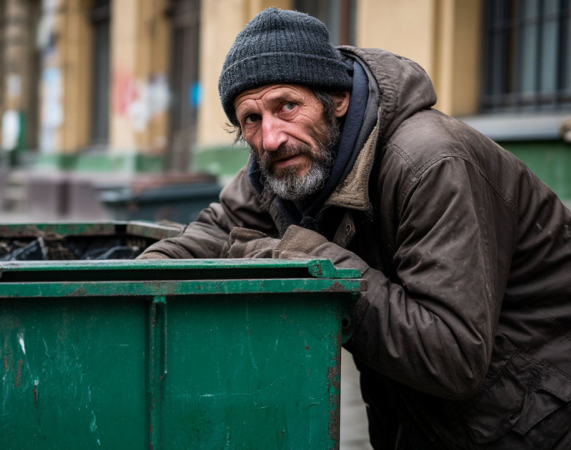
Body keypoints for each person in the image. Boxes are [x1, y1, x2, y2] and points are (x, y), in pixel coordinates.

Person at [139, 8, 571, 449]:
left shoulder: (431, 164)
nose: (270, 137)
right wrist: (132, 286)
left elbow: (451, 355)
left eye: (287, 105)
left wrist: (310, 259)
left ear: (337, 98)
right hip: (423, 421)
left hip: (536, 419)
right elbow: (213, 235)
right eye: (251, 118)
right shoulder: (284, 163)